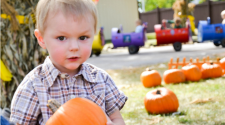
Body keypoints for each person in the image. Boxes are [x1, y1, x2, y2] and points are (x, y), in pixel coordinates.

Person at [10, 0, 128, 125]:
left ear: (93, 35)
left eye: (83, 37)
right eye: (61, 38)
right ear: (41, 39)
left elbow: (117, 118)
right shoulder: (33, 86)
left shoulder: (101, 80)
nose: (74, 47)